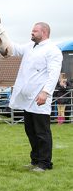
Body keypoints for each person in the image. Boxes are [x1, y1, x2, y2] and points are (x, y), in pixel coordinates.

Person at [9, 22, 63, 172]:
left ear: (44, 32)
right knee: (30, 131)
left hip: (40, 98)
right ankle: (35, 160)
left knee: (42, 132)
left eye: (35, 31)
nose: (31, 33)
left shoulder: (53, 50)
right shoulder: (29, 47)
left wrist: (45, 92)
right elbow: (14, 48)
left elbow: (53, 74)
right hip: (28, 99)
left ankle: (45, 163)